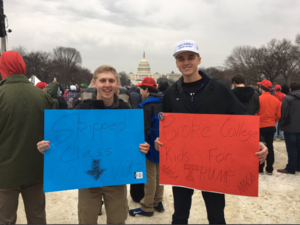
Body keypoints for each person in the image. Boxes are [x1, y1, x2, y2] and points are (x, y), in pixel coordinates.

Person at [154, 40, 268, 224]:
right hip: (182, 163)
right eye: (181, 59)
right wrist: (160, 140)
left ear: (199, 59)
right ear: (176, 63)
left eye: (190, 57)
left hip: (213, 164)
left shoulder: (219, 89)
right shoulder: (171, 93)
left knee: (216, 215)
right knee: (179, 215)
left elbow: (241, 116)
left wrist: (259, 140)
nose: (186, 62)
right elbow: (167, 125)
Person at [37, 65, 150, 224]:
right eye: (102, 80)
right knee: (87, 220)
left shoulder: (126, 110)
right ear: (94, 83)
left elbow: (132, 141)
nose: (107, 84)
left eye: (111, 80)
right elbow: (63, 137)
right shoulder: (82, 108)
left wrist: (142, 147)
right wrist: (48, 146)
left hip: (115, 178)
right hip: (87, 178)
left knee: (117, 220)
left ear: (117, 83)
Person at [0, 51, 55, 224]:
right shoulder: (42, 96)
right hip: (36, 170)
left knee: (5, 219)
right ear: (22, 67)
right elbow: (54, 133)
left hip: (5, 174)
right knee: (37, 216)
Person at [129, 77, 164, 217]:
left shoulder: (146, 106)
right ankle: (158, 201)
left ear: (147, 89)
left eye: (141, 89)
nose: (141, 92)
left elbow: (143, 129)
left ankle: (147, 206)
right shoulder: (164, 102)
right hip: (162, 144)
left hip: (148, 146)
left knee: (149, 177)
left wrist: (138, 143)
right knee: (159, 176)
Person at [257, 79, 281, 175]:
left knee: (260, 148)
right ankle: (270, 168)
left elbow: (255, 113)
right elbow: (278, 115)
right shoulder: (276, 100)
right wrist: (272, 121)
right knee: (270, 147)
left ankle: (260, 168)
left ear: (262, 88)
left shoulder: (258, 99)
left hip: (260, 126)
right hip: (271, 126)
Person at [277, 82, 300, 174]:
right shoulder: (288, 98)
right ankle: (298, 166)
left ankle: (291, 168)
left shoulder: (288, 99)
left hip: (290, 127)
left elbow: (284, 114)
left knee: (291, 148)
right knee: (298, 147)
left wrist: (281, 124)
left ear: (290, 89)